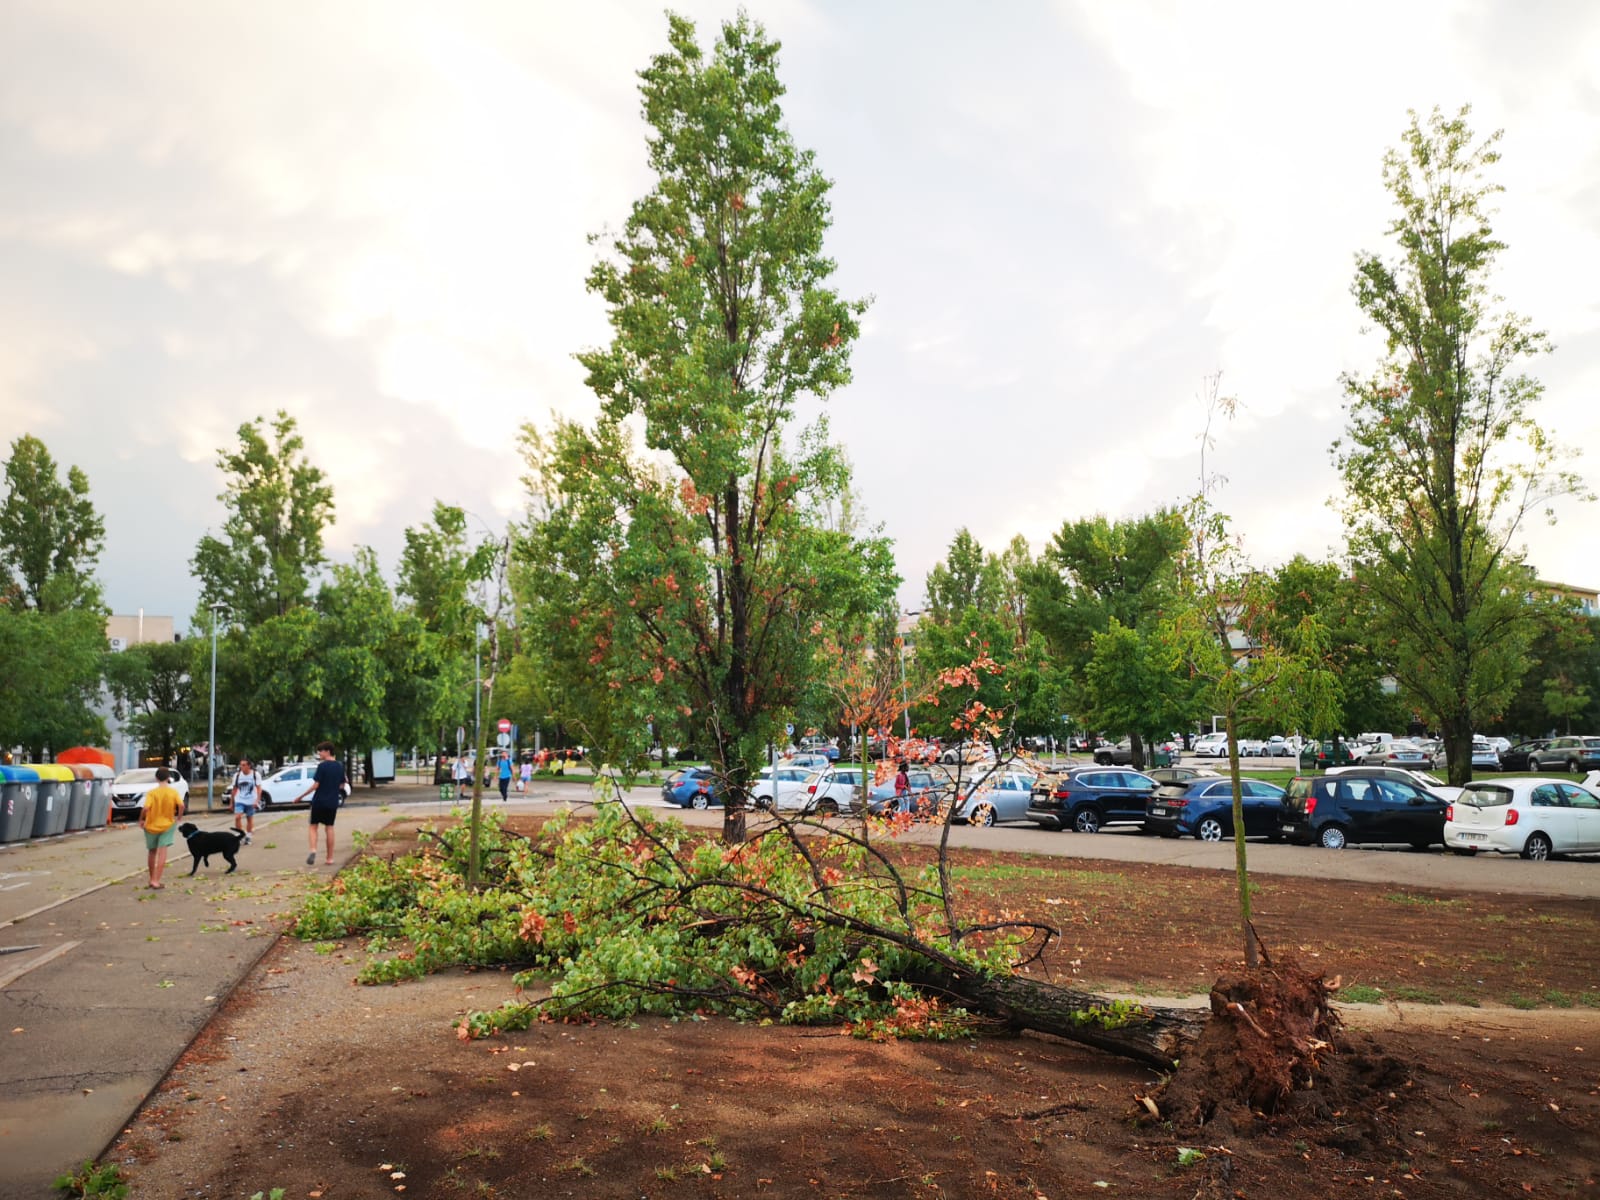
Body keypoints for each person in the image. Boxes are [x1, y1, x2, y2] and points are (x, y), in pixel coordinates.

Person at [293, 742, 346, 866]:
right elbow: (342, 785)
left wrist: (301, 796)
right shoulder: (340, 766)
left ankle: (313, 850)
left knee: (313, 826)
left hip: (319, 801)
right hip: (332, 802)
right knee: (329, 827)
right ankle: (330, 858)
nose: (319, 754)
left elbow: (316, 785)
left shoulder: (322, 766)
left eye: (320, 751)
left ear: (327, 751)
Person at [141, 766, 185, 889]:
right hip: (167, 824)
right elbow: (181, 805)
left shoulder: (152, 793)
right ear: (168, 778)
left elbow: (146, 808)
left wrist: (141, 819)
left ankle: (151, 879)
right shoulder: (173, 792)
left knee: (152, 851)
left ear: (156, 778)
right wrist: (179, 818)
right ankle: (156, 880)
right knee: (162, 852)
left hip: (151, 825)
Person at [229, 758, 261, 844]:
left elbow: (259, 788)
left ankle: (248, 836)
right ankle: (240, 835)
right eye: (241, 765)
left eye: (243, 765)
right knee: (237, 817)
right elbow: (234, 789)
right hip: (239, 799)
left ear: (249, 766)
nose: (241, 767)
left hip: (251, 800)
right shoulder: (237, 775)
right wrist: (231, 802)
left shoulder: (255, 774)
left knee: (249, 818)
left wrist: (257, 800)